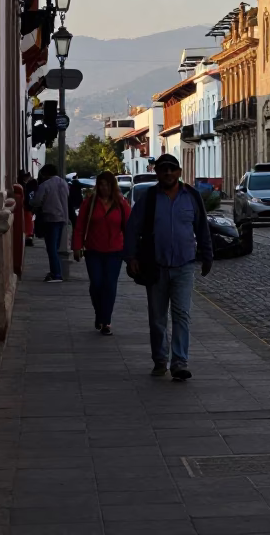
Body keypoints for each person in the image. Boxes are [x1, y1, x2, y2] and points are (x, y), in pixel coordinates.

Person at [124, 154, 213, 380]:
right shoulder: (149, 198)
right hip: (156, 266)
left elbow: (202, 226)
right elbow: (132, 228)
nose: (168, 173)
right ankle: (160, 360)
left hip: (184, 265)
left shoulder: (191, 196)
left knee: (182, 314)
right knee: (157, 317)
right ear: (157, 172)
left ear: (180, 172)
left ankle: (180, 362)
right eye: (163, 169)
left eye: (172, 169)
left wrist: (207, 255)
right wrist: (131, 257)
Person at [73, 172, 131, 335]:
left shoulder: (121, 203)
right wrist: (77, 247)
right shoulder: (90, 203)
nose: (104, 187)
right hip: (94, 251)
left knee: (109, 285)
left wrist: (131, 251)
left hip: (115, 251)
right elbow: (80, 227)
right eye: (101, 184)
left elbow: (129, 227)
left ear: (112, 186)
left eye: (107, 184)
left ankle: (106, 321)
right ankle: (99, 313)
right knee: (96, 284)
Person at [31, 164, 68, 282]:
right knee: (55, 247)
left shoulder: (44, 185)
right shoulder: (64, 183)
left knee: (51, 248)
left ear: (45, 173)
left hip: (50, 218)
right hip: (62, 218)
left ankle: (56, 274)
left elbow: (36, 202)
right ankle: (55, 271)